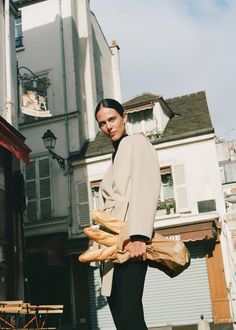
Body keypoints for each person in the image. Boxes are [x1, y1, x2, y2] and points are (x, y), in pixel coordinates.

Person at [95, 98, 160, 330]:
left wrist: (140, 236)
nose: (108, 126)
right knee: (120, 312)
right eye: (102, 123)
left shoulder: (136, 143)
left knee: (129, 312)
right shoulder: (114, 157)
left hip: (131, 240)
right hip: (114, 245)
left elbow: (146, 187)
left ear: (124, 118)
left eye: (112, 119)